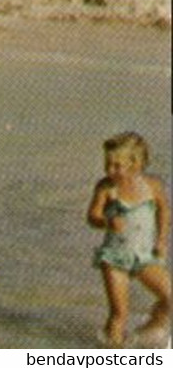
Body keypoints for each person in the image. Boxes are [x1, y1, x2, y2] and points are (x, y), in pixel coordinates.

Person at [87, 132, 170, 347]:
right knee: (119, 313)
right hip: (115, 257)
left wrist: (161, 240)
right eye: (107, 163)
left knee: (169, 298)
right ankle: (111, 352)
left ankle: (150, 330)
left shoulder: (152, 186)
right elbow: (92, 216)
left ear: (135, 165)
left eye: (116, 165)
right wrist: (107, 221)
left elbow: (163, 211)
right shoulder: (106, 187)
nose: (109, 170)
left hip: (144, 255)